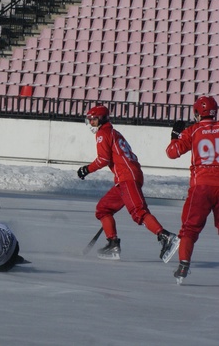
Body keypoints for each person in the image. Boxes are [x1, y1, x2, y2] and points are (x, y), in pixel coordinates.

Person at [77, 105, 179, 262]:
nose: (91, 123)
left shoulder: (103, 133)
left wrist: (86, 169)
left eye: (93, 120)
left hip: (127, 177)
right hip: (125, 178)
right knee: (103, 209)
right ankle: (112, 244)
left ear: (102, 119)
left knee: (138, 212)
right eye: (89, 120)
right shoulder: (113, 132)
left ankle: (165, 236)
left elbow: (104, 159)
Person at [166, 96, 219, 284]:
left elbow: (172, 152)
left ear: (197, 113)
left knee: (189, 227)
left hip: (201, 186)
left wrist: (174, 135)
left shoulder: (193, 131)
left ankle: (183, 265)